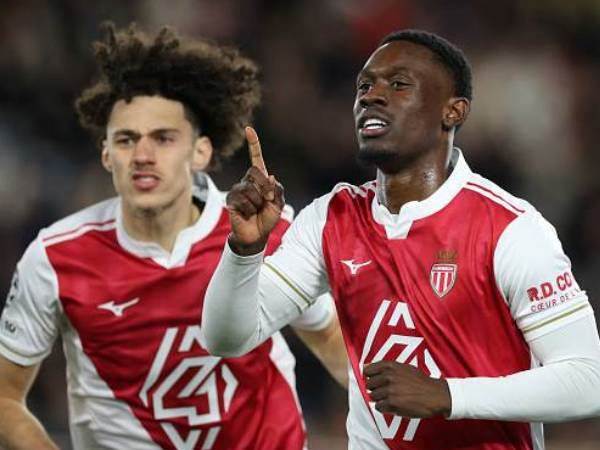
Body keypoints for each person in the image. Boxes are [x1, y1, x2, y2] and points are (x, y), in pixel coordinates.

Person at [201, 29, 600, 449]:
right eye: (364, 86)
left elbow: (588, 380)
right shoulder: (331, 218)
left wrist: (448, 395)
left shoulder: (509, 229)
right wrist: (244, 251)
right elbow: (226, 338)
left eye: (398, 84)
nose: (372, 96)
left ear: (453, 111)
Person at [0, 23, 347, 450]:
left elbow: (332, 341)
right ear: (106, 154)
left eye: (163, 139)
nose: (143, 156)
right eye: (126, 140)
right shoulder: (55, 258)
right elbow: (5, 398)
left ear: (201, 151)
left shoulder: (261, 232)